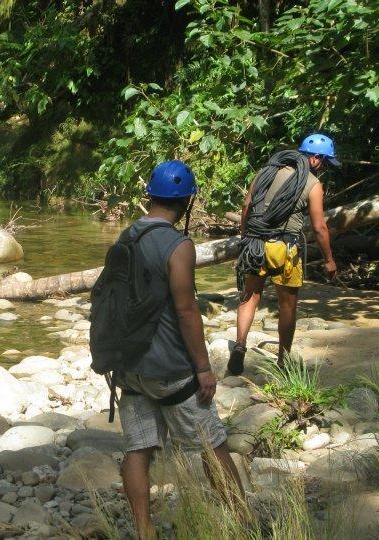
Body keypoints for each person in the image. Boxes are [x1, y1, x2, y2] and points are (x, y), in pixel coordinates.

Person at [116, 160, 245, 539]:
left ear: (151, 196)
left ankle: (145, 530)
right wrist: (203, 368)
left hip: (130, 368)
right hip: (172, 369)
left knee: (139, 449)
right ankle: (242, 522)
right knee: (212, 445)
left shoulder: (125, 238)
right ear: (186, 202)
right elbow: (187, 309)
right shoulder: (179, 245)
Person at [227, 134, 340, 375]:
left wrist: (245, 237)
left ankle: (239, 345)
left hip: (255, 244)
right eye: (326, 163)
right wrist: (329, 260)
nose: (325, 168)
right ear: (317, 160)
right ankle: (282, 360)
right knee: (287, 305)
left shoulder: (266, 172)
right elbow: (319, 227)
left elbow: (247, 206)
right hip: (284, 249)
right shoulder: (312, 184)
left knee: (250, 296)